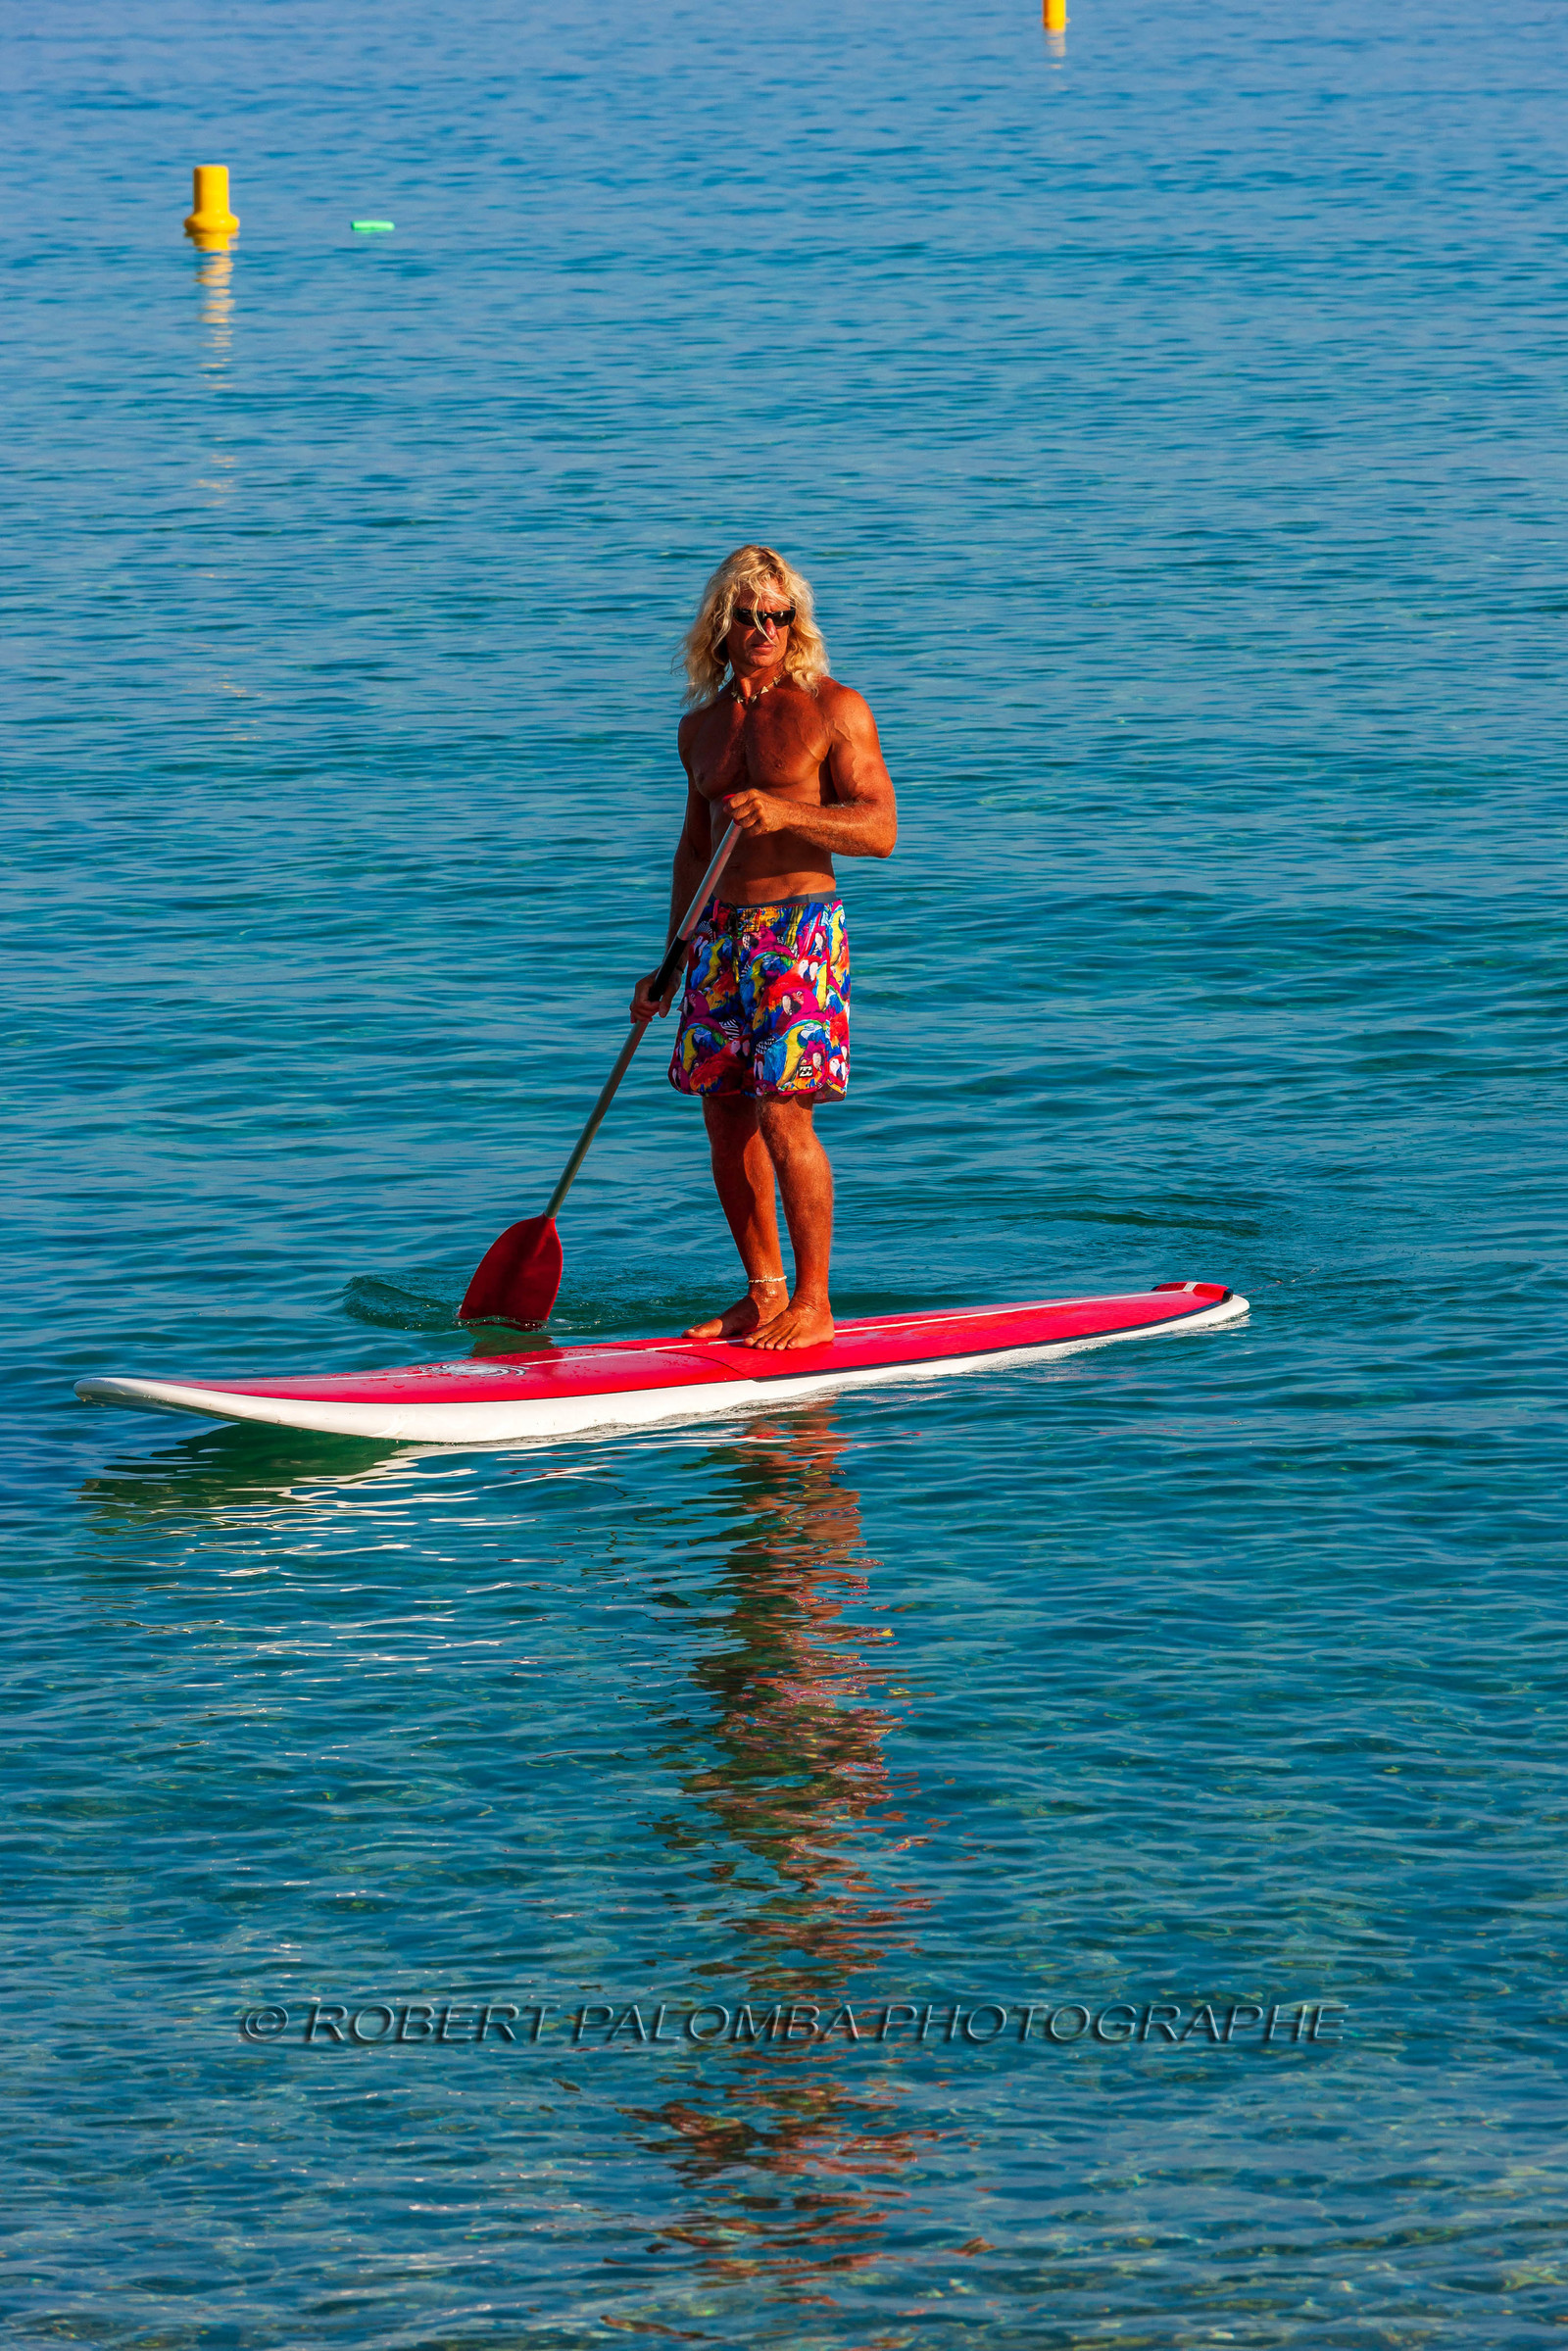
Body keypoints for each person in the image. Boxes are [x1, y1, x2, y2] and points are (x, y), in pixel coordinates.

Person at [630, 546, 897, 1350]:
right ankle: (762, 1293)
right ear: (723, 624)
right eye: (749, 616)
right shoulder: (700, 729)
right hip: (716, 940)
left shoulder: (832, 708)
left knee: (785, 1116)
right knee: (724, 1117)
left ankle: (814, 1303)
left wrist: (791, 817)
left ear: (796, 622)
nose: (765, 630)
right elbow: (691, 849)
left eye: (779, 616)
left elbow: (880, 829)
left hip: (798, 932)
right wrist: (668, 960)